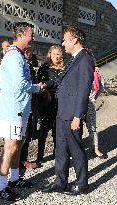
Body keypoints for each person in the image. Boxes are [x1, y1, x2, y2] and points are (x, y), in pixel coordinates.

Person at [42, 26, 95, 196]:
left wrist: (78, 116)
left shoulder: (85, 59)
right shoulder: (72, 59)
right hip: (62, 112)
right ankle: (60, 181)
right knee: (61, 150)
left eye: (65, 39)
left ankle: (82, 183)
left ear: (74, 40)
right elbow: (59, 80)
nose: (62, 43)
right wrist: (44, 85)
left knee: (76, 150)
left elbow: (84, 90)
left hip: (73, 114)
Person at [0, 22, 43, 201]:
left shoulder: (19, 55)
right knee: (10, 146)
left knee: (18, 144)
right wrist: (38, 87)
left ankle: (14, 179)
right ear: (22, 35)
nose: (33, 37)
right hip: (12, 110)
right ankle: (1, 188)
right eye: (31, 34)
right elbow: (20, 84)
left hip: (20, 110)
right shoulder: (14, 56)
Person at [35, 45, 65, 166]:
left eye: (58, 54)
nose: (56, 56)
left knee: (57, 130)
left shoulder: (64, 68)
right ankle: (40, 156)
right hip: (46, 102)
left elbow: (62, 85)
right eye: (54, 54)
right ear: (50, 54)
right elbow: (38, 83)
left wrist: (48, 85)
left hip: (60, 102)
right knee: (43, 130)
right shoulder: (44, 68)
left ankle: (56, 154)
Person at [19, 46, 39, 169]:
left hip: (31, 103)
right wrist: (36, 87)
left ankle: (23, 159)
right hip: (19, 105)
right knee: (20, 136)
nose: (28, 53)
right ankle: (17, 162)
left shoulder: (32, 63)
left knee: (27, 133)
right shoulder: (18, 63)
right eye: (25, 51)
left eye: (30, 50)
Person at [85, 65, 107, 159]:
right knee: (76, 128)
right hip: (77, 103)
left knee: (92, 127)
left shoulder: (96, 71)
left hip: (89, 103)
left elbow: (101, 86)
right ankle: (75, 150)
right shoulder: (76, 68)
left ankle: (95, 149)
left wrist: (93, 98)